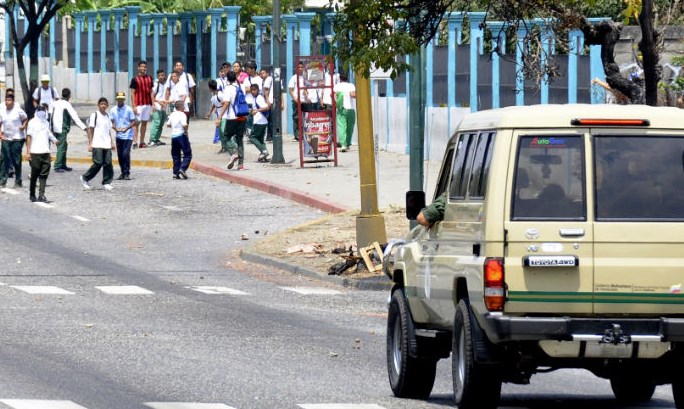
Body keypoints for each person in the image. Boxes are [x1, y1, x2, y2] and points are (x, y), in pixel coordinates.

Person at [25, 106, 59, 202]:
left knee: (44, 174)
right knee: (35, 174)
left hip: (45, 152)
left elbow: (48, 133)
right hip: (35, 152)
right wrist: (28, 152)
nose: (41, 112)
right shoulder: (32, 122)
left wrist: (55, 140)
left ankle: (41, 195)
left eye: (43, 110)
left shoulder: (46, 122)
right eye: (39, 110)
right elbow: (29, 137)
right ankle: (32, 193)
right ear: (36, 112)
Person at [81, 97, 115, 191]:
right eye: (101, 104)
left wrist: (112, 142)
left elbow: (108, 130)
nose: (103, 105)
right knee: (98, 163)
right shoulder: (94, 115)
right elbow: (91, 129)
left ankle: (107, 182)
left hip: (106, 143)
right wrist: (90, 143)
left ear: (107, 105)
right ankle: (85, 178)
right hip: (97, 143)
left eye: (105, 104)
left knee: (108, 163)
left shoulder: (108, 116)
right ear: (98, 105)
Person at [50, 88, 88, 172]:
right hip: (61, 129)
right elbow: (75, 117)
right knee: (61, 147)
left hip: (54, 129)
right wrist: (84, 127)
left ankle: (63, 165)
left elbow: (49, 115)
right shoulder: (66, 104)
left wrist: (50, 128)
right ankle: (58, 165)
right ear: (69, 95)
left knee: (64, 146)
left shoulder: (54, 103)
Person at [216, 70, 247, 171]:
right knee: (239, 139)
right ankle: (241, 164)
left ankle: (233, 153)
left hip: (232, 117)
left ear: (228, 79)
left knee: (226, 136)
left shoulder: (228, 88)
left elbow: (226, 103)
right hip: (242, 116)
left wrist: (220, 117)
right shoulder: (241, 86)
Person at [0, 94, 28, 187]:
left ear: (13, 101)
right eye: (6, 100)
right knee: (4, 159)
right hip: (6, 138)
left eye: (9, 100)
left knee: (16, 160)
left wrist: (23, 126)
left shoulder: (18, 110)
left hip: (17, 138)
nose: (7, 102)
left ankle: (18, 180)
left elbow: (25, 118)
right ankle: (2, 180)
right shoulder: (2, 111)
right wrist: (0, 134)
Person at [110, 91, 137, 180]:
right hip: (119, 136)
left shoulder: (128, 109)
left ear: (124, 99)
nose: (120, 100)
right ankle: (122, 172)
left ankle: (126, 173)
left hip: (128, 136)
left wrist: (127, 128)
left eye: (122, 99)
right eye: (119, 99)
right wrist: (115, 129)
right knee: (120, 155)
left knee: (126, 154)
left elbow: (133, 121)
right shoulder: (113, 110)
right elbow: (111, 122)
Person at [129, 60, 154, 148]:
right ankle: (135, 142)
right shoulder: (135, 79)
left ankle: (142, 142)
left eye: (145, 67)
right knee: (136, 123)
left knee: (144, 123)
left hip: (147, 104)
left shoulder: (150, 78)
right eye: (142, 66)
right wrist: (134, 106)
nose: (143, 68)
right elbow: (132, 93)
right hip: (138, 104)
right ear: (138, 68)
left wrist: (153, 103)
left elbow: (151, 91)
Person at [167, 100, 192, 179]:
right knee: (187, 154)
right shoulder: (182, 114)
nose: (184, 107)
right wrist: (186, 130)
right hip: (181, 135)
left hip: (173, 136)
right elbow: (184, 125)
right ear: (180, 107)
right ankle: (183, 168)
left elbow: (168, 125)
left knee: (176, 155)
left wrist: (175, 127)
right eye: (183, 106)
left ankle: (175, 172)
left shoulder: (172, 114)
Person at [245, 83, 270, 162]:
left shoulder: (259, 98)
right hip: (262, 121)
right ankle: (264, 155)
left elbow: (266, 107)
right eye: (251, 90)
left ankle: (264, 151)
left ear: (258, 90)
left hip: (259, 121)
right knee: (260, 139)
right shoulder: (256, 98)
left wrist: (257, 110)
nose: (252, 92)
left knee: (252, 137)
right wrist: (252, 111)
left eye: (254, 90)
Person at [206, 79, 231, 154]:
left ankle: (231, 147)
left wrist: (220, 113)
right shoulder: (214, 95)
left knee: (224, 131)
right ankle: (224, 148)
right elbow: (214, 103)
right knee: (220, 132)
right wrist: (210, 112)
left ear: (210, 88)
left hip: (224, 115)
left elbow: (226, 103)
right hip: (219, 115)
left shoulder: (220, 94)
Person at [334, 72, 357, 152]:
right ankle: (347, 143)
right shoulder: (351, 85)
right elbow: (352, 95)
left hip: (341, 108)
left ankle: (343, 145)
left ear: (340, 78)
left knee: (341, 127)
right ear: (347, 78)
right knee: (350, 127)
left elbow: (332, 94)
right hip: (350, 109)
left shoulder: (337, 86)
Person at [148, 69, 168, 147]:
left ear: (164, 75)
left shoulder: (166, 84)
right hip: (157, 106)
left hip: (163, 106)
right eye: (159, 75)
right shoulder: (156, 84)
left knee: (161, 123)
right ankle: (152, 140)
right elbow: (152, 94)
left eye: (162, 75)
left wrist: (165, 103)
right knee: (156, 122)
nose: (160, 77)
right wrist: (154, 104)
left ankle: (156, 139)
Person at [288, 62, 307, 141]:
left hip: (304, 101)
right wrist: (295, 99)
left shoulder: (305, 78)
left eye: (301, 67)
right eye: (298, 67)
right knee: (296, 117)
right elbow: (291, 90)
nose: (300, 69)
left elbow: (306, 89)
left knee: (305, 118)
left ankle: (304, 134)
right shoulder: (294, 78)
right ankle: (297, 135)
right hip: (296, 101)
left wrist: (307, 98)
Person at [260, 67, 274, 141]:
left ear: (267, 73)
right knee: (269, 120)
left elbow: (266, 90)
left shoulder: (268, 79)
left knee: (271, 120)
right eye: (261, 74)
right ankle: (269, 136)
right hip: (270, 102)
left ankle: (271, 136)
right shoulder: (266, 80)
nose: (262, 75)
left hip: (270, 102)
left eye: (263, 73)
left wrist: (267, 100)